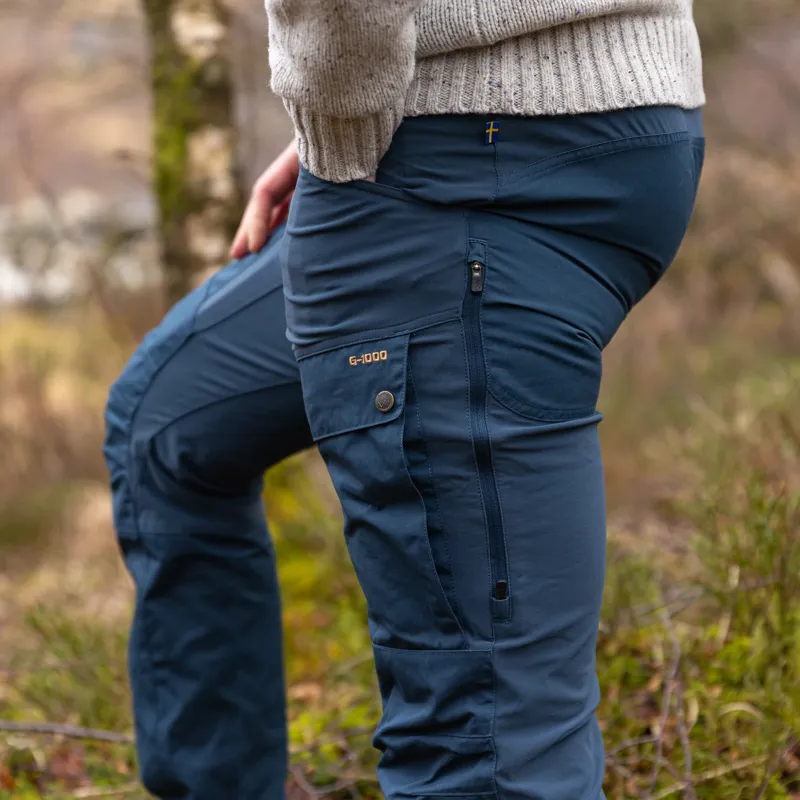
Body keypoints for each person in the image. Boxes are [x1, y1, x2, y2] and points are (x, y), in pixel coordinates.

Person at [103, 1, 706, 797]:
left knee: (484, 743)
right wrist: (343, 114)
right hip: (577, 123)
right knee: (167, 422)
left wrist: (343, 117)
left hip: (464, 169)